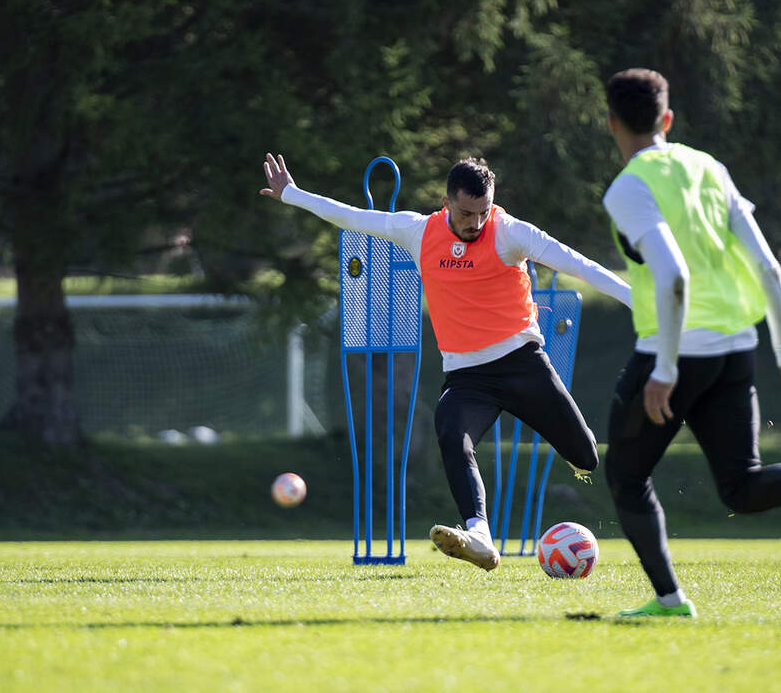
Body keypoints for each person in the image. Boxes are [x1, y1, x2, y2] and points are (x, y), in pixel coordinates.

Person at [261, 152, 631, 570]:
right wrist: (291, 194)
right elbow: (352, 217)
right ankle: (480, 535)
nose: (475, 222)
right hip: (467, 374)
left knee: (585, 457)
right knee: (451, 431)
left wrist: (640, 303)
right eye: (466, 212)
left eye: (483, 211)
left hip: (524, 364)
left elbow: (579, 264)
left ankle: (501, 520)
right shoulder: (418, 231)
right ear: (446, 201)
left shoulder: (510, 233)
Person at [600, 68, 781, 618]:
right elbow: (768, 267)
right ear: (668, 119)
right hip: (734, 350)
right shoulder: (709, 167)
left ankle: (670, 600)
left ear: (612, 124)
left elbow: (673, 276)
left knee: (626, 477)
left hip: (677, 354)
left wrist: (663, 368)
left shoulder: (628, 188)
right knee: (740, 485)